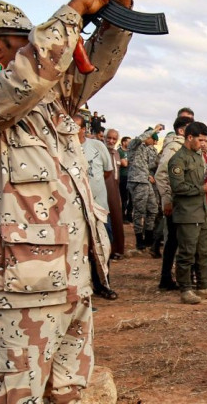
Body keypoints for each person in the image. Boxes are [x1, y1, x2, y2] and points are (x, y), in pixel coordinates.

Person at [0, 0, 156, 402]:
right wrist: (74, 9)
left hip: (72, 284)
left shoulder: (48, 102)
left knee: (70, 393)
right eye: (24, 39)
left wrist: (119, 5)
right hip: (18, 294)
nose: (39, 45)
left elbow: (95, 65)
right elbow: (27, 75)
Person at [167, 121, 207, 304]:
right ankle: (185, 289)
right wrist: (202, 189)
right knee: (187, 253)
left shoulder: (198, 158)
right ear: (189, 137)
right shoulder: (177, 159)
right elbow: (178, 187)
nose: (203, 144)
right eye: (200, 140)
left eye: (206, 140)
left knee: (204, 251)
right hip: (188, 214)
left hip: (203, 211)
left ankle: (204, 285)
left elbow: (201, 181)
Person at [74, 115, 117, 300]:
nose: (73, 131)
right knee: (79, 250)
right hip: (75, 210)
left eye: (76, 127)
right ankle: (80, 289)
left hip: (99, 207)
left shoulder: (97, 147)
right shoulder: (62, 149)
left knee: (103, 246)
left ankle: (103, 284)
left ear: (84, 129)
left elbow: (107, 172)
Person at [156, 115, 194, 290]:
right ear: (181, 130)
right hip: (175, 201)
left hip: (184, 201)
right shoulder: (173, 148)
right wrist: (167, 200)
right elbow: (161, 174)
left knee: (179, 240)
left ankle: (175, 277)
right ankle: (166, 278)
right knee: (173, 241)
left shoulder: (186, 148)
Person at [127, 124, 163, 250]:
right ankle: (139, 240)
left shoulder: (145, 149)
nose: (154, 142)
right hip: (137, 182)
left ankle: (148, 237)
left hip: (145, 182)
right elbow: (140, 138)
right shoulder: (134, 145)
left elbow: (148, 165)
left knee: (153, 209)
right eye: (152, 138)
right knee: (139, 211)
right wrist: (154, 129)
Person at [105, 129, 126, 258]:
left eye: (114, 139)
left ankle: (116, 249)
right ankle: (108, 249)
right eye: (109, 138)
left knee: (116, 219)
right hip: (105, 189)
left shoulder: (117, 153)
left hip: (115, 188)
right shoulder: (101, 151)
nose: (111, 141)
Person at [118, 136, 131, 222]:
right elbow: (124, 164)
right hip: (123, 176)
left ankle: (129, 215)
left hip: (130, 176)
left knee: (131, 197)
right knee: (124, 197)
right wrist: (131, 161)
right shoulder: (120, 151)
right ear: (123, 142)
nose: (130, 143)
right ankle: (123, 216)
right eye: (128, 142)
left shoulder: (130, 151)